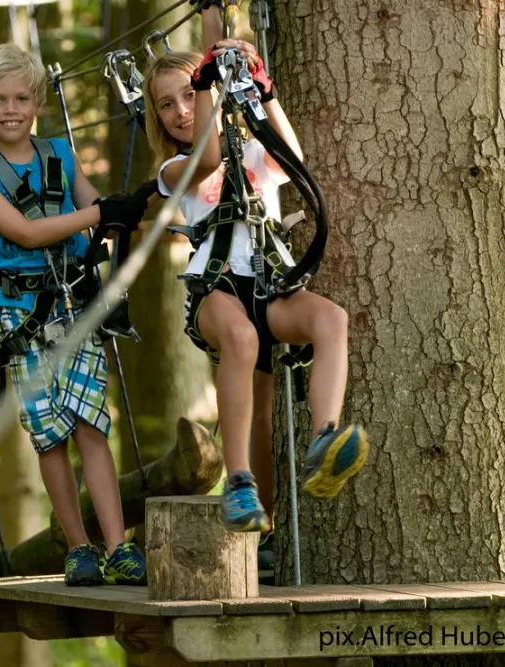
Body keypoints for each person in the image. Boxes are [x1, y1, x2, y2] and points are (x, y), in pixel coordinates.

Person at [142, 2, 369, 533]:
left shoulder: (250, 151)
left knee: (329, 321)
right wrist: (204, 84)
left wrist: (263, 94)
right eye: (167, 104)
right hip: (217, 290)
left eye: (186, 96)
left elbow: (293, 156)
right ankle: (238, 483)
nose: (179, 110)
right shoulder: (173, 168)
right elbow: (204, 159)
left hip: (269, 283)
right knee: (241, 341)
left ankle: (324, 440)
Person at [0, 43, 150, 586]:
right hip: (21, 316)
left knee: (91, 421)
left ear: (38, 100)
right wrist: (97, 212)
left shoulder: (60, 154)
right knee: (50, 434)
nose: (10, 109)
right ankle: (78, 547)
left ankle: (119, 548)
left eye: (21, 97)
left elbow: (93, 210)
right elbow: (24, 232)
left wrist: (120, 214)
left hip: (75, 306)